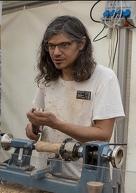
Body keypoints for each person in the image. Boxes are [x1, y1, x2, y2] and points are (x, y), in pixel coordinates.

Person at [25, 15, 125, 178]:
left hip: (83, 178)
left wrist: (56, 124)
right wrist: (34, 126)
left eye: (64, 45)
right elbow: (39, 128)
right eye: (51, 46)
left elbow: (103, 134)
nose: (56, 52)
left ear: (81, 43)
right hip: (45, 173)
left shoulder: (103, 77)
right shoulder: (48, 78)